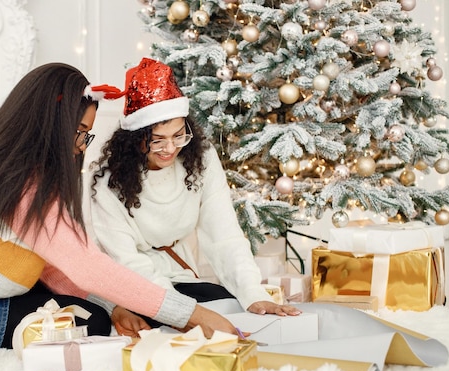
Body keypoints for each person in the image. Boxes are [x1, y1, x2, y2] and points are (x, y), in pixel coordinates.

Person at [0, 62, 239, 349]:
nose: (83, 145)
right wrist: (191, 315)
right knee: (90, 321)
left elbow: (52, 263)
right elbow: (84, 265)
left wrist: (114, 305)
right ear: (51, 125)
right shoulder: (22, 183)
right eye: (80, 132)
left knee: (95, 309)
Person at [86, 58, 301, 337]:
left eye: (178, 135)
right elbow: (129, 264)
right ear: (134, 139)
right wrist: (182, 315)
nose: (170, 148)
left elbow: (223, 235)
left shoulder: (200, 159)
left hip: (180, 276)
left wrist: (253, 293)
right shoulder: (105, 181)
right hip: (130, 284)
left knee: (229, 307)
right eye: (157, 140)